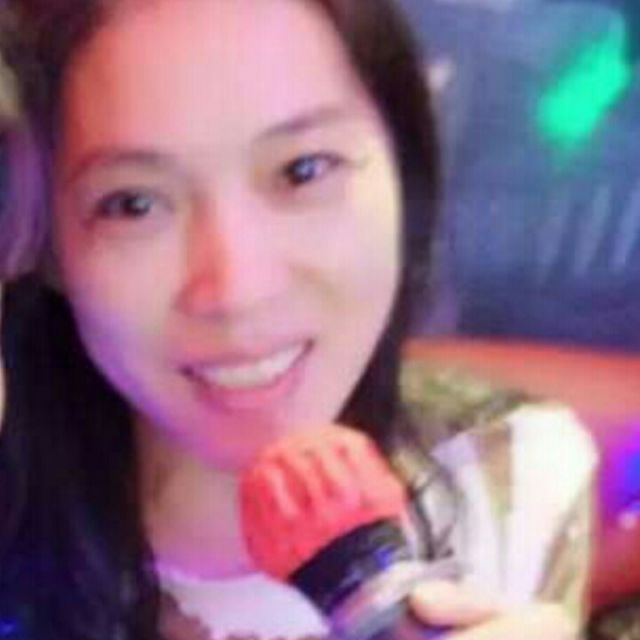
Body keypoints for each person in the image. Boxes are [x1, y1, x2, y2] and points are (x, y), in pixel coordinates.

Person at [0, 0, 595, 639]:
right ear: (41, 241)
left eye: (302, 170)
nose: (238, 291)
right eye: (133, 204)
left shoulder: (511, 479)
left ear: (403, 171)